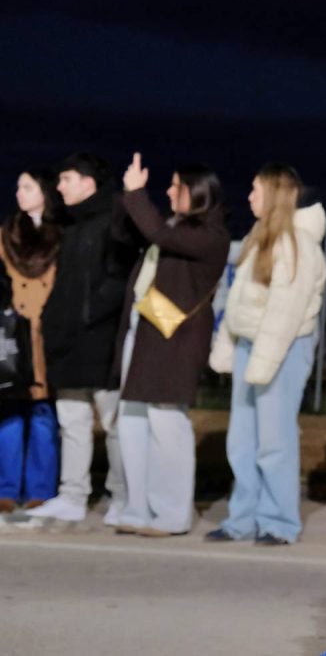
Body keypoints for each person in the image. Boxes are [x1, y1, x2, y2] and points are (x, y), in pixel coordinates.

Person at [205, 163, 326, 545]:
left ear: (274, 195)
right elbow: (239, 302)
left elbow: (284, 314)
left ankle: (278, 521)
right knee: (242, 439)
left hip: (282, 351)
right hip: (251, 348)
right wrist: (228, 348)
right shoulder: (260, 238)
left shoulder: (297, 246)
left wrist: (261, 362)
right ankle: (242, 518)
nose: (249, 197)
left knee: (274, 440)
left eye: (256, 190)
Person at [113, 155, 230, 537]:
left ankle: (173, 513)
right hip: (148, 333)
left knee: (167, 423)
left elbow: (159, 236)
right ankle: (137, 508)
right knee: (132, 419)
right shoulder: (176, 226)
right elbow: (145, 233)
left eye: (175, 185)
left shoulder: (211, 236)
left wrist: (135, 193)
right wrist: (129, 199)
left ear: (196, 193)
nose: (168, 191)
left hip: (175, 340)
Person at [30, 153, 136, 524]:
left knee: (114, 423)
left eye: (66, 179)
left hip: (100, 341)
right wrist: (54, 321)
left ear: (88, 182)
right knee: (71, 421)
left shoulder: (114, 220)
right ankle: (73, 495)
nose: (59, 187)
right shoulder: (71, 225)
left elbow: (119, 278)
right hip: (68, 342)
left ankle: (123, 496)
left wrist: (89, 317)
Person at [0, 168, 62, 511]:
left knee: (42, 413)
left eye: (27, 187)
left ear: (44, 192)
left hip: (46, 334)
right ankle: (6, 489)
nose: (20, 193)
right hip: (10, 334)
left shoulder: (61, 235)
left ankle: (41, 489)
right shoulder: (6, 234)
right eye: (18, 187)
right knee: (9, 410)